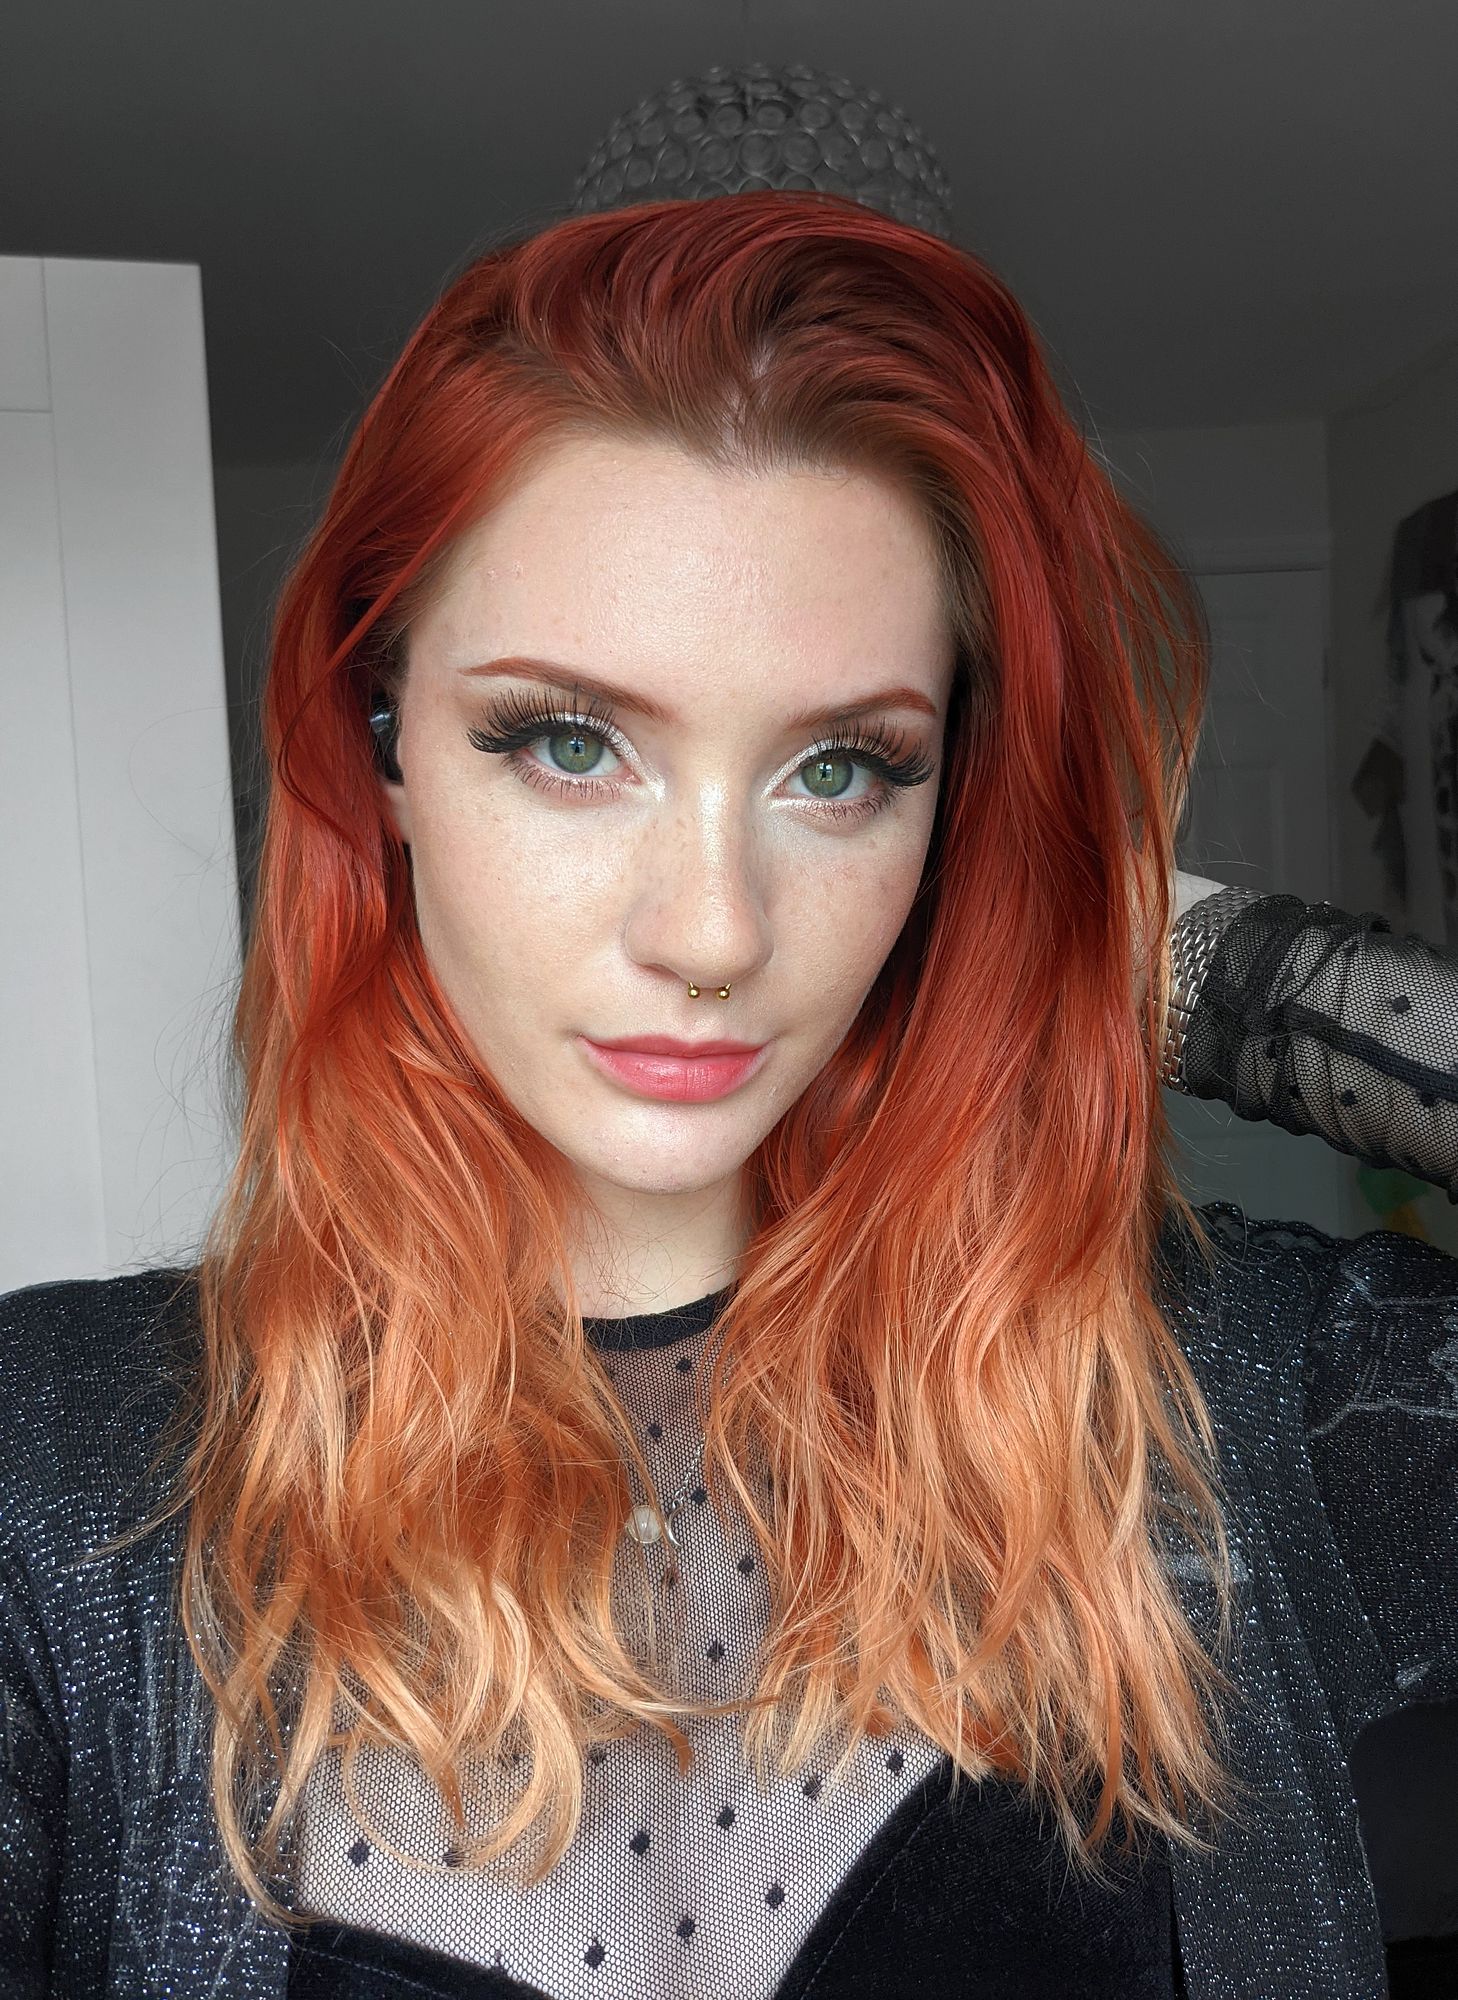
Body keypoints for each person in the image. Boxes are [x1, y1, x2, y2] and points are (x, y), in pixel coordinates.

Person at [1, 190, 1454, 2000]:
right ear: (379, 750)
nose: (711, 930)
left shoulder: (1226, 1409)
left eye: (840, 769)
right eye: (569, 742)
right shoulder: (52, 1484)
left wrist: (1160, 953)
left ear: (950, 811)